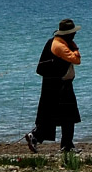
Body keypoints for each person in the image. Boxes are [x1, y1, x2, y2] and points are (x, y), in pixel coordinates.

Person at [25, 18, 82, 153]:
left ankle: (65, 145)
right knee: (66, 116)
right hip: (59, 86)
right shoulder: (60, 46)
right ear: (67, 34)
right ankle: (40, 137)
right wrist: (74, 48)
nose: (74, 35)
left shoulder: (57, 43)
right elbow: (76, 60)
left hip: (57, 84)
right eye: (72, 33)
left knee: (59, 116)